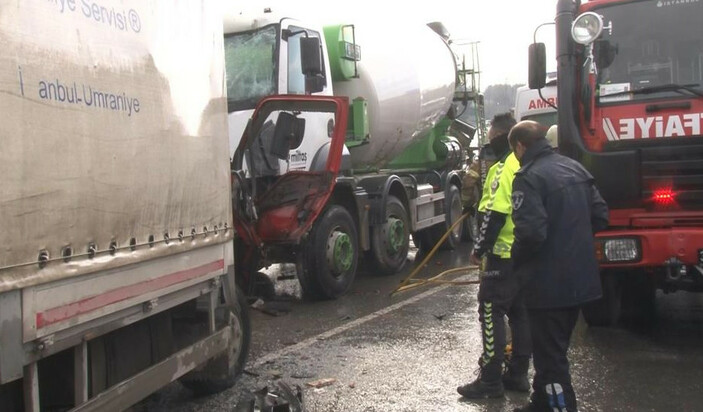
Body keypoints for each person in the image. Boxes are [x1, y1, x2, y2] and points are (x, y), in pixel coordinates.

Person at [508, 121, 609, 412]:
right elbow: (601, 215)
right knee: (552, 350)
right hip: (581, 281)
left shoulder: (528, 177)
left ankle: (560, 407)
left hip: (547, 287)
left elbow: (530, 234)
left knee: (551, 361)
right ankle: (541, 404)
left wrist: (515, 263)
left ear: (520, 147)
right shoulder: (575, 168)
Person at [457, 113, 531, 399]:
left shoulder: (504, 167)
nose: (489, 144)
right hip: (524, 252)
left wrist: (479, 248)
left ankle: (489, 379)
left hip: (502, 253)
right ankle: (519, 374)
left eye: (490, 139)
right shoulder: (525, 163)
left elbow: (494, 213)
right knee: (520, 313)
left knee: (490, 310)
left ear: (502, 136)